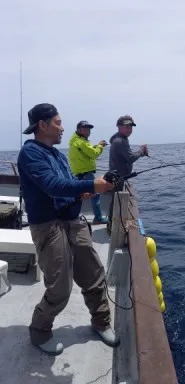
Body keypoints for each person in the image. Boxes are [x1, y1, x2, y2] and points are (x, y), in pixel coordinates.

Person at [17, 103, 120, 356]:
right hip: (49, 226)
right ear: (43, 125)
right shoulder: (30, 153)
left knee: (94, 274)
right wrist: (90, 185)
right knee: (60, 287)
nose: (63, 128)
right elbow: (52, 185)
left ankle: (101, 322)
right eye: (58, 123)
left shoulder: (57, 155)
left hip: (73, 221)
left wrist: (81, 190)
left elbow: (68, 184)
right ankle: (40, 332)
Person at [107, 115, 148, 233]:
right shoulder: (120, 140)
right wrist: (141, 151)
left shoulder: (121, 138)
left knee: (115, 202)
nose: (129, 130)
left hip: (119, 177)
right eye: (126, 127)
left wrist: (140, 152)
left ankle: (112, 226)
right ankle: (113, 228)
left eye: (130, 127)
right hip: (118, 178)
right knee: (117, 203)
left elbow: (127, 156)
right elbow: (130, 158)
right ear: (119, 127)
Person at [68, 120, 108, 224]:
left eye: (89, 128)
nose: (88, 131)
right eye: (85, 128)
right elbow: (94, 154)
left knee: (80, 196)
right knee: (95, 195)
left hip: (79, 173)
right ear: (79, 130)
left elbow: (86, 151)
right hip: (86, 173)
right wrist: (100, 146)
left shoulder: (75, 140)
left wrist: (94, 146)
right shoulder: (81, 142)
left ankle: (71, 217)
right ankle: (98, 219)